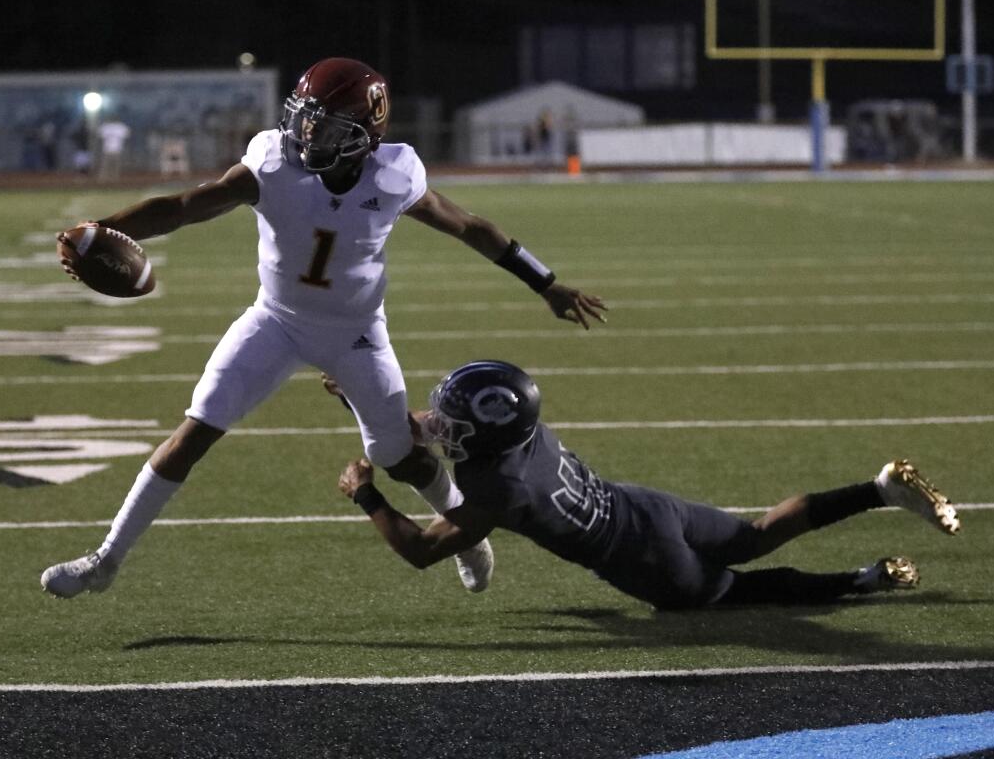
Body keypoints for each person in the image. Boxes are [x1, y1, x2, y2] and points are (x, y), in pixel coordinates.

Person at [40, 58, 607, 599]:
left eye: (326, 123)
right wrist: (102, 228)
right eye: (305, 116)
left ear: (365, 132)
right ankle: (106, 559)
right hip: (276, 320)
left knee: (397, 454)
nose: (308, 132)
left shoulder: (393, 174)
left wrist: (545, 282)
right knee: (195, 430)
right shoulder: (270, 164)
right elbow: (186, 205)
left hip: (356, 331)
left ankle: (463, 532)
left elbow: (470, 227)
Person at [335, 360, 961, 610]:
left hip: (642, 560)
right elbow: (428, 426)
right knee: (754, 533)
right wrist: (365, 404)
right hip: (643, 507)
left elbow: (420, 552)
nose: (439, 424)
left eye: (455, 421)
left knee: (737, 594)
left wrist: (367, 494)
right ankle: (878, 489)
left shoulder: (499, 488)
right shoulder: (522, 430)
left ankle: (864, 580)